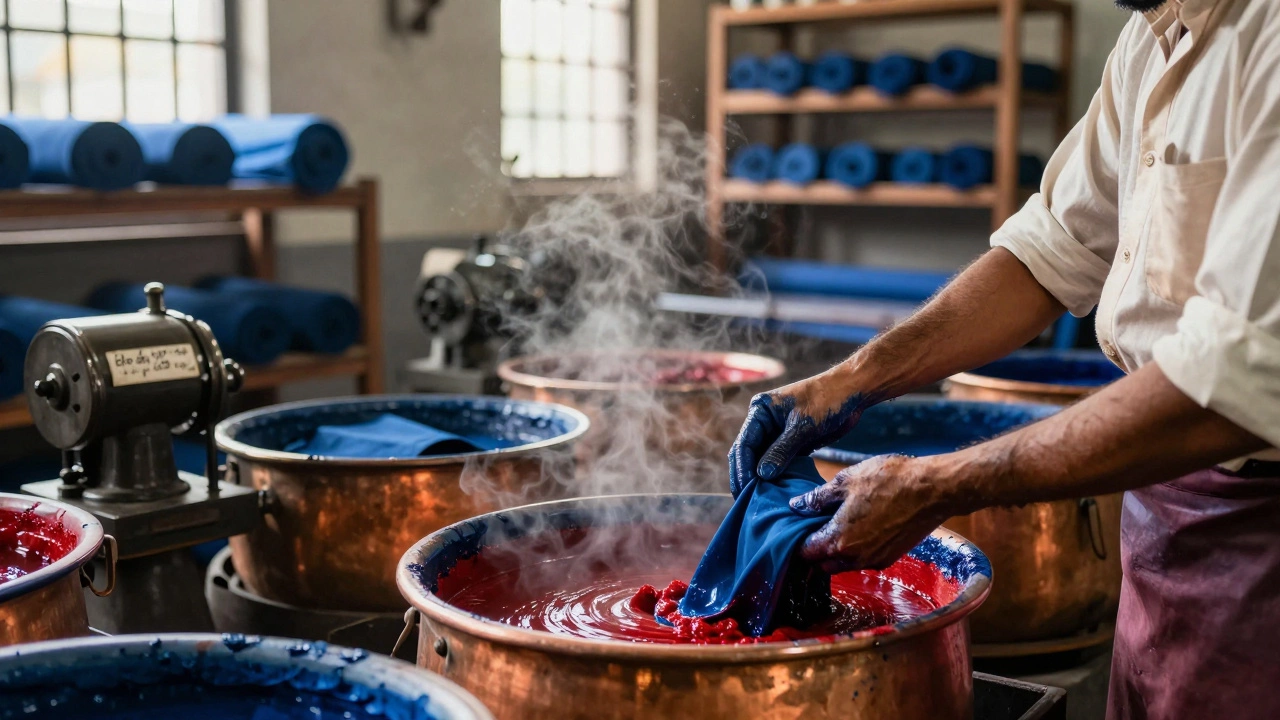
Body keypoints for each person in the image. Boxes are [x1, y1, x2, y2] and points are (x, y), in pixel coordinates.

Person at [729, 0, 1280, 717]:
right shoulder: (1151, 38)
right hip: (1164, 512)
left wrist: (935, 487)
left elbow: (1234, 382)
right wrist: (847, 382)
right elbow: (1050, 251)